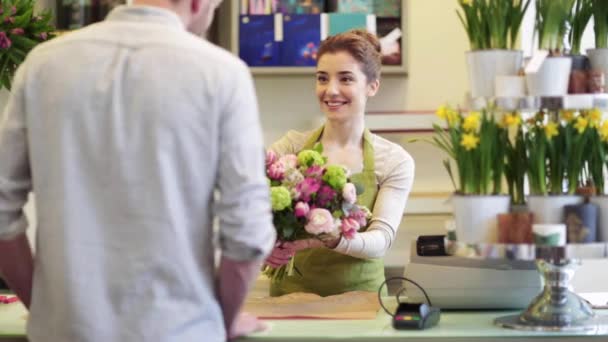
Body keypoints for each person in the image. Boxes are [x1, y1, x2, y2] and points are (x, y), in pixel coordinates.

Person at [0, 1, 275, 341]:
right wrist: (225, 320)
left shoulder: (42, 65)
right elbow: (247, 233)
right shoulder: (222, 73)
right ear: (197, 2)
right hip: (181, 330)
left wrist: (42, 307)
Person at [265, 30, 415, 297]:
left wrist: (332, 237)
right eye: (322, 78)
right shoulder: (289, 148)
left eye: (345, 78)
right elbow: (247, 211)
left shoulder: (393, 160)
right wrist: (266, 245)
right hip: (290, 299)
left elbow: (380, 241)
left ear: (372, 86)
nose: (330, 90)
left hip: (360, 302)